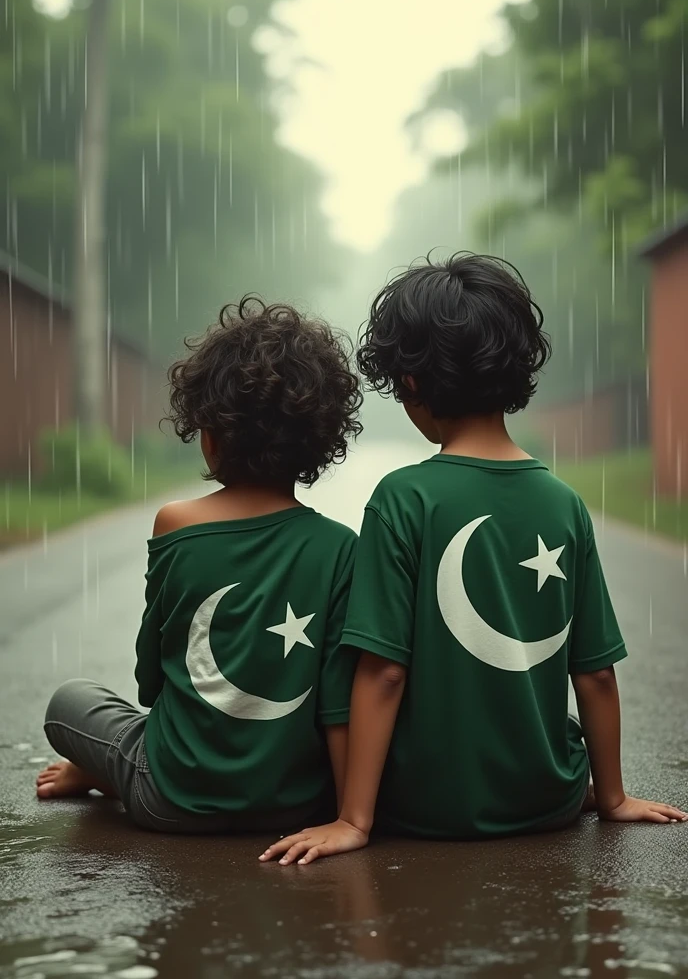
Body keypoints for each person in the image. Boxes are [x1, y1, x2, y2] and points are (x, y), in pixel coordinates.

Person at [260, 252, 687, 865]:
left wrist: (355, 819)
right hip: (548, 804)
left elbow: (383, 670)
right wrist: (613, 797)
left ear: (409, 383)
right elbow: (593, 671)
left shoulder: (403, 497)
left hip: (423, 809)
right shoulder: (564, 503)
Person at [36, 297, 362, 833]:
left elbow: (150, 676)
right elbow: (336, 703)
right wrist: (347, 815)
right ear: (319, 440)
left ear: (208, 434)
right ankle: (109, 768)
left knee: (68, 702)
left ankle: (105, 769)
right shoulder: (340, 546)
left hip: (169, 798)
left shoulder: (176, 523)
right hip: (297, 805)